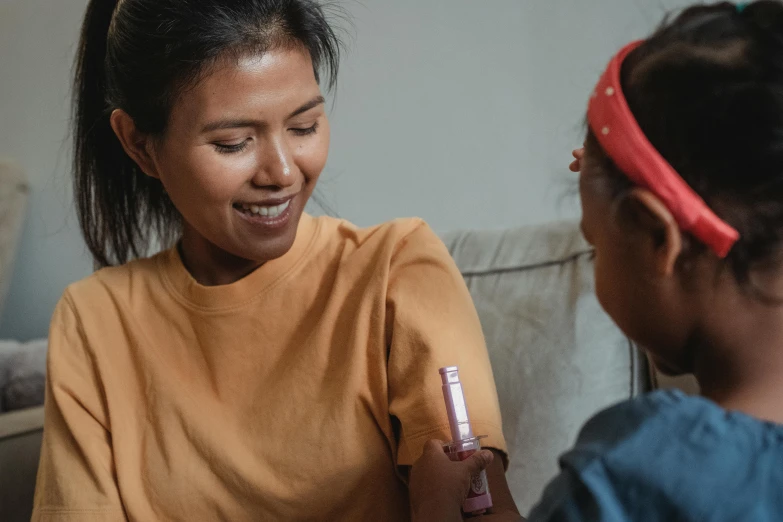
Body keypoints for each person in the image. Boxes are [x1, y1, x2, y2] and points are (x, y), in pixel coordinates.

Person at [32, 1, 521, 520]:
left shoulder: (396, 270)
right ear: (139, 144)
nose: (284, 172)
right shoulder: (95, 321)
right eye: (233, 142)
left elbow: (482, 506)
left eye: (304, 126)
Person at [410, 1, 783, 520]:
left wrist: (433, 510)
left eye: (597, 243)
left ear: (658, 239)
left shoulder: (640, 472)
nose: (595, 258)